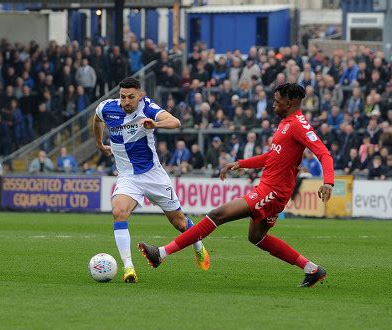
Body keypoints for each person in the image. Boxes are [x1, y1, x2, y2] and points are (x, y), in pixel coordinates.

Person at [139, 83, 334, 288]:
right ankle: (312, 269)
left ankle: (161, 253)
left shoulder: (298, 125)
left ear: (290, 102)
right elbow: (271, 157)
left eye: (277, 102)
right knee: (256, 237)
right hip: (270, 190)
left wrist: (328, 182)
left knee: (218, 214)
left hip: (272, 192)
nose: (273, 105)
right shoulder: (286, 123)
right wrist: (241, 164)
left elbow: (323, 153)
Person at [92, 77, 209, 283]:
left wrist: (155, 123)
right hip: (128, 176)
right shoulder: (107, 108)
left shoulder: (148, 108)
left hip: (152, 175)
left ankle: (199, 247)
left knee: (180, 223)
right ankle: (129, 268)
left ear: (140, 96)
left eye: (131, 97)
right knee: (119, 212)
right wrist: (100, 144)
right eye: (122, 97)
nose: (126, 101)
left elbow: (175, 121)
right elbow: (96, 119)